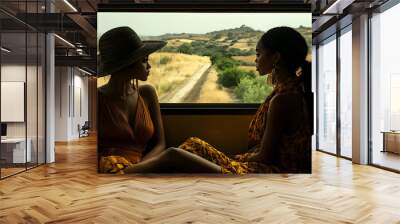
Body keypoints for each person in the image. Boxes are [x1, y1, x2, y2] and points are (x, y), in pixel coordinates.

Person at [98, 26, 311, 174]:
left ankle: (130, 174)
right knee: (193, 145)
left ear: (275, 58)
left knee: (175, 154)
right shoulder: (284, 92)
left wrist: (232, 160)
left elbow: (266, 157)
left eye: (258, 53)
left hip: (268, 169)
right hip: (259, 163)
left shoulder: (283, 99)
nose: (255, 59)